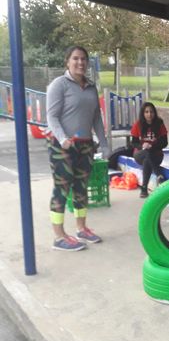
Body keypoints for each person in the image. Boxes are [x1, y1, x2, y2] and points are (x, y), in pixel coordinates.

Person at [46, 45, 109, 251]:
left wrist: (104, 142)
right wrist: (63, 138)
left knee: (81, 188)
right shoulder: (59, 84)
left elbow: (96, 118)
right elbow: (52, 116)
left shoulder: (91, 87)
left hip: (85, 146)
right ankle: (58, 236)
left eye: (83, 59)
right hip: (62, 146)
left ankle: (81, 228)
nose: (80, 62)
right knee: (62, 188)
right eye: (75, 59)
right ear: (67, 61)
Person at [130, 102, 168, 198]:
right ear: (143, 113)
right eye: (146, 112)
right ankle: (158, 174)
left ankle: (144, 188)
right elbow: (133, 143)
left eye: (151, 112)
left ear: (154, 113)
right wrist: (143, 145)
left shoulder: (159, 123)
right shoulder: (138, 124)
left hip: (157, 155)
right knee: (146, 153)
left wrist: (152, 146)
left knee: (147, 159)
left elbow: (165, 143)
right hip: (140, 154)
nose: (149, 114)